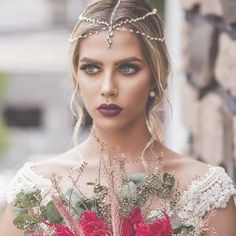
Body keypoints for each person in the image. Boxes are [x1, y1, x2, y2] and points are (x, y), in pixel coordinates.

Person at [1, 0, 236, 235]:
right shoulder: (35, 191)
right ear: (76, 76)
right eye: (92, 69)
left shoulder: (206, 193)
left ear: (157, 75)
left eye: (127, 68)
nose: (108, 88)